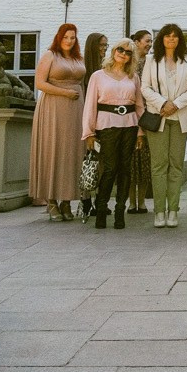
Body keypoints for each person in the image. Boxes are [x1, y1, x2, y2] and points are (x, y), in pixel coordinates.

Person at [140, 23, 187, 227]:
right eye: (167, 36)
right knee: (158, 166)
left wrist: (175, 104)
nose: (171, 39)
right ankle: (159, 211)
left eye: (175, 36)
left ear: (180, 39)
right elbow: (145, 87)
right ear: (162, 39)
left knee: (176, 165)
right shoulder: (151, 60)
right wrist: (163, 103)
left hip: (180, 118)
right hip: (159, 117)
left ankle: (173, 210)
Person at [80, 38, 142, 229]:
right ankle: (101, 209)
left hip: (129, 125)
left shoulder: (133, 77)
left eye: (128, 52)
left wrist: (141, 132)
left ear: (131, 57)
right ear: (114, 51)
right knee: (109, 168)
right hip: (106, 126)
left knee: (125, 168)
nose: (123, 54)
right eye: (120, 49)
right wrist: (89, 132)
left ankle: (120, 211)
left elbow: (139, 106)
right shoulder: (98, 76)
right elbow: (90, 105)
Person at [28, 24, 86, 221]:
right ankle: (51, 201)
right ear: (59, 38)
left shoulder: (78, 58)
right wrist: (65, 93)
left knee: (72, 153)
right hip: (53, 108)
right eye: (66, 37)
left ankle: (67, 201)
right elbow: (40, 83)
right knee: (52, 151)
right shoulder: (50, 56)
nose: (69, 41)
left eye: (72, 37)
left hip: (76, 110)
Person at [128, 29, 154, 214]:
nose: (149, 44)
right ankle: (131, 202)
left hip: (148, 116)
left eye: (151, 41)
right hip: (130, 116)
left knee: (145, 161)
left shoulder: (151, 62)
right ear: (136, 42)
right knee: (130, 162)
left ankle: (142, 201)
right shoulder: (128, 62)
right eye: (147, 41)